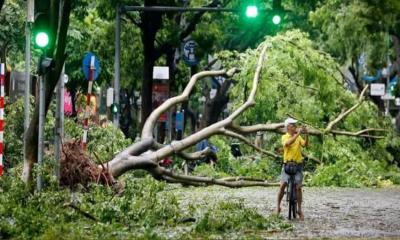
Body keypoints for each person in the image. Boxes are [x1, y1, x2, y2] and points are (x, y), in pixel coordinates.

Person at [276, 117, 308, 220]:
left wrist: (307, 135)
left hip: (298, 166)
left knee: (298, 187)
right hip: (287, 165)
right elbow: (288, 143)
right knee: (282, 186)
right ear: (288, 127)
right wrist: (298, 134)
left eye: (295, 125)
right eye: (293, 125)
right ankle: (278, 207)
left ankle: (299, 209)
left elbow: (306, 145)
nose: (295, 127)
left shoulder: (298, 137)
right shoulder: (284, 137)